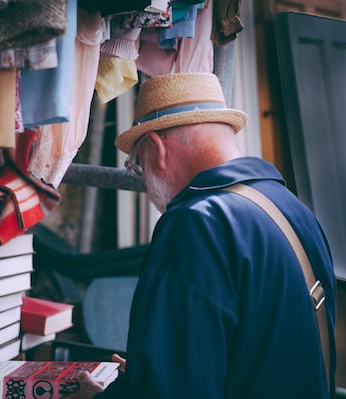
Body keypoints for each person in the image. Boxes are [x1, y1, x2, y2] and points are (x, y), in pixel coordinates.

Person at [68, 72, 337, 398]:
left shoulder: (195, 224)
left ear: (156, 148)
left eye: (138, 166)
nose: (145, 182)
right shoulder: (296, 211)